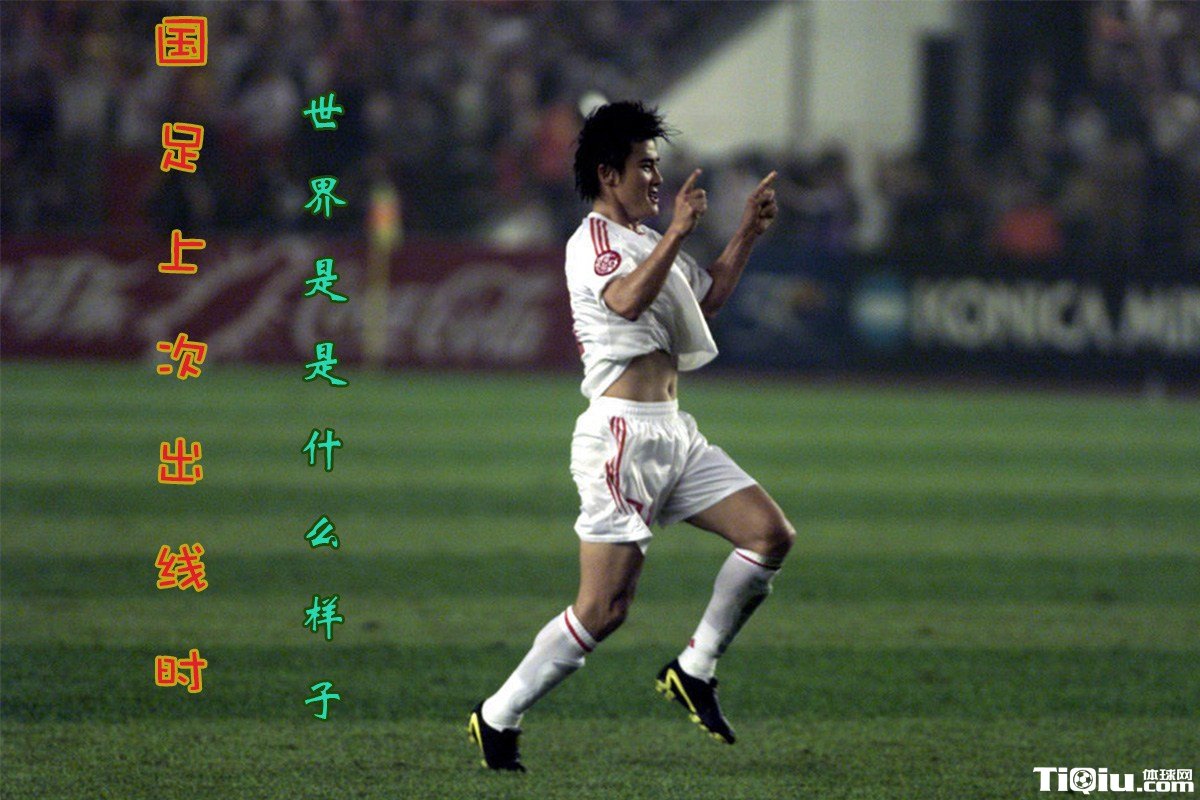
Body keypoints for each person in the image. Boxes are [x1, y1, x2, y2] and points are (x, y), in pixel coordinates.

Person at [468, 101, 795, 772]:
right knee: (604, 608)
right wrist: (676, 231)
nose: (657, 178)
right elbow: (624, 301)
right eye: (645, 166)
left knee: (769, 536)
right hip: (621, 440)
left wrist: (745, 233)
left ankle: (695, 668)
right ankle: (498, 715)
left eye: (657, 165)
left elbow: (705, 301)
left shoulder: (647, 240)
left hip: (675, 434)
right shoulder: (592, 243)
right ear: (607, 174)